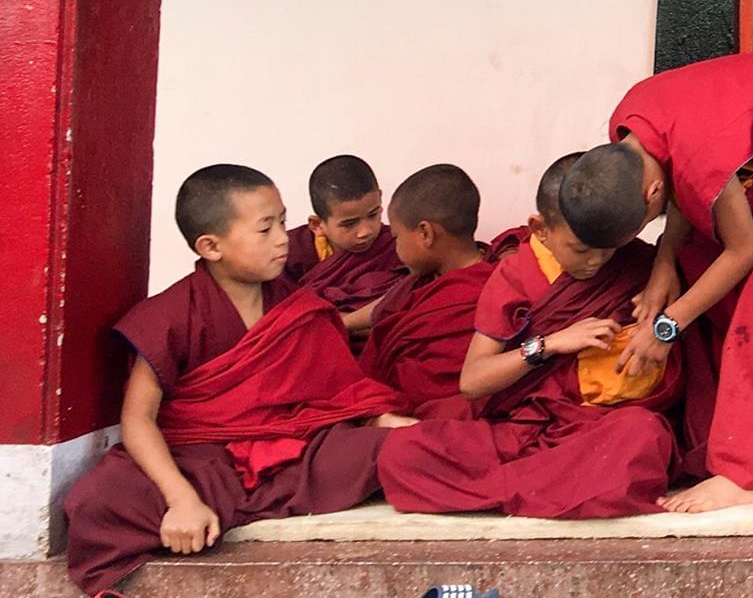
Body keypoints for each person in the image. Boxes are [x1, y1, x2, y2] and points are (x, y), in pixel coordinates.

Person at [64, 165, 408, 594]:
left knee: (403, 449)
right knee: (99, 500)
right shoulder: (170, 314)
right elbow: (137, 420)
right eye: (266, 229)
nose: (284, 237)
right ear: (211, 246)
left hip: (293, 454)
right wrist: (181, 499)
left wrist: (383, 422)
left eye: (283, 221)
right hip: (201, 462)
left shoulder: (297, 306)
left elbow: (340, 395)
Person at [568, 51, 753, 513]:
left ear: (651, 195)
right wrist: (665, 264)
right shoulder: (628, 130)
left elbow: (742, 250)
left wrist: (667, 326)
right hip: (743, 153)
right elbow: (681, 182)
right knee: (693, 260)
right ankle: (742, 432)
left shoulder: (694, 156)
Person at [374, 152, 686, 519]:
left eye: (608, 247)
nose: (597, 261)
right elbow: (473, 381)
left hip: (598, 428)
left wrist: (659, 329)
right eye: (581, 249)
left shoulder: (640, 264)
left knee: (644, 436)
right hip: (521, 432)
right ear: (540, 229)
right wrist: (551, 344)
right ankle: (550, 490)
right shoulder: (515, 276)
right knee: (402, 453)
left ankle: (514, 490)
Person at [358, 163, 493, 419]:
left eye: (396, 237)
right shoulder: (426, 278)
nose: (395, 247)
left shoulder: (485, 292)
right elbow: (384, 309)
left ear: (425, 233)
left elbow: (422, 390)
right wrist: (341, 322)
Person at [286, 154, 405, 336]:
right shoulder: (291, 252)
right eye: (349, 224)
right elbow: (282, 319)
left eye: (373, 215)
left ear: (380, 198)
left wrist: (343, 323)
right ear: (317, 225)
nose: (365, 231)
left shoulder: (398, 244)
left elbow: (410, 306)